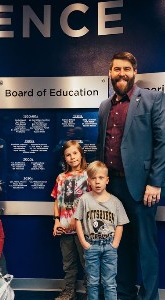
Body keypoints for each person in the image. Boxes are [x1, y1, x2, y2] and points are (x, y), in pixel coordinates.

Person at [96, 52, 165, 300]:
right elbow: (101, 146)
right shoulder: (105, 106)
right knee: (120, 244)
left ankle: (149, 297)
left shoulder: (153, 99)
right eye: (116, 69)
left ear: (134, 72)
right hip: (112, 188)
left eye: (126, 69)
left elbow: (162, 143)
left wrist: (155, 183)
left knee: (146, 247)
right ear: (110, 73)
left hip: (141, 189)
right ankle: (124, 293)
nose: (121, 73)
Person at [74, 160, 129, 300]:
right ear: (88, 181)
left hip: (109, 246)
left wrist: (115, 244)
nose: (97, 182)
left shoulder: (115, 202)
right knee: (92, 283)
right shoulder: (84, 200)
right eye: (93, 178)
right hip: (91, 245)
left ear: (107, 180)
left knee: (109, 283)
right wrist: (84, 242)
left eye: (101, 178)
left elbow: (120, 224)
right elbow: (77, 221)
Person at [51, 140, 90, 300]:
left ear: (81, 154)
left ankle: (91, 292)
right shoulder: (61, 177)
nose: (72, 157)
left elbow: (92, 201)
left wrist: (78, 219)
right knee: (68, 263)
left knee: (86, 261)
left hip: (83, 229)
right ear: (64, 158)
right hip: (65, 228)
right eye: (68, 154)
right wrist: (56, 220)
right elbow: (56, 200)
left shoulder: (89, 176)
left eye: (75, 153)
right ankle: (68, 291)